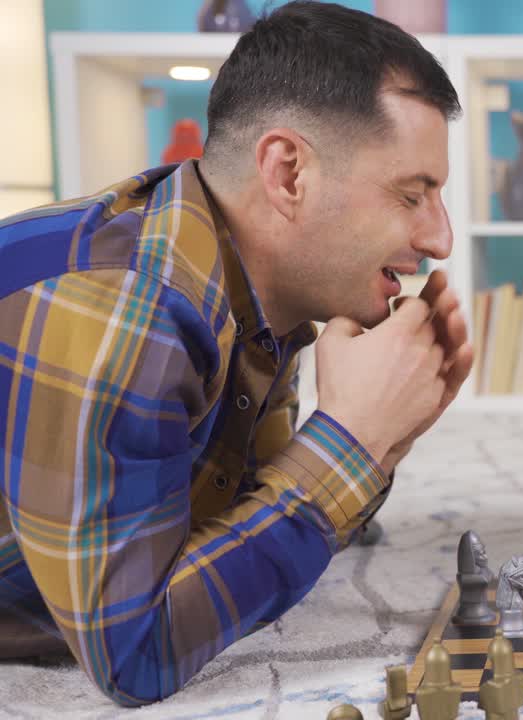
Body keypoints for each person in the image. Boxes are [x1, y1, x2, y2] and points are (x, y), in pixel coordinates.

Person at [0, 1, 470, 706]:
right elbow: (136, 652)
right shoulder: (129, 309)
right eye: (412, 194)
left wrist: (386, 430)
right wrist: (356, 443)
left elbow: (226, 523)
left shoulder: (255, 292)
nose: (440, 238)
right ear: (287, 173)